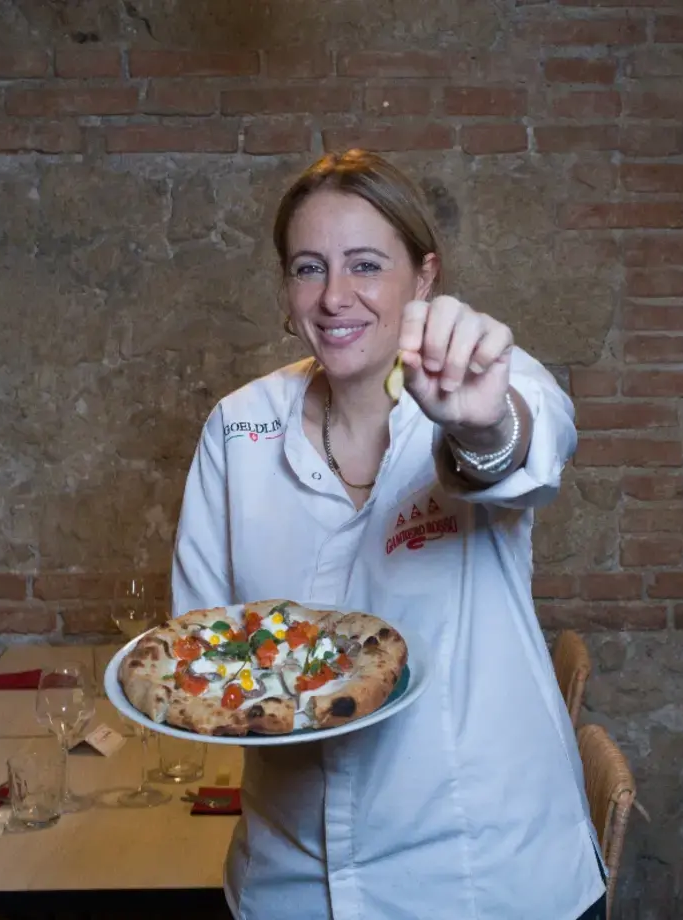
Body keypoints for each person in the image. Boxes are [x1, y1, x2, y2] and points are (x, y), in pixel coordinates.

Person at [171, 149, 607, 920]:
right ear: (286, 289)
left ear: (424, 278)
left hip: (485, 880)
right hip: (292, 882)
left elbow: (517, 449)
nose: (335, 295)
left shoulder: (490, 379)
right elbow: (201, 642)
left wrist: (482, 428)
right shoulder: (238, 426)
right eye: (309, 268)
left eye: (366, 265)